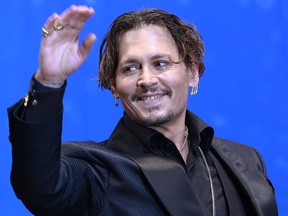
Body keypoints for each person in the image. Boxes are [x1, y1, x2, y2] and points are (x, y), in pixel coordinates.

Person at [8, 5, 278, 216]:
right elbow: (39, 185)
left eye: (160, 63)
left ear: (192, 73)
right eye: (130, 68)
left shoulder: (246, 160)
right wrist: (49, 82)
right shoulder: (94, 168)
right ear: (113, 86)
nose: (146, 79)